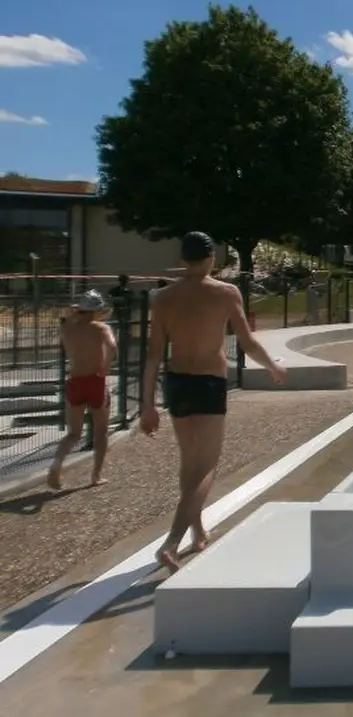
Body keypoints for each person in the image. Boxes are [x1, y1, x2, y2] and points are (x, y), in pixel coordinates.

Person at [140, 231, 286, 573]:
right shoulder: (225, 292)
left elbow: (152, 356)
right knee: (206, 466)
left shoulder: (161, 298)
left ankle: (199, 531)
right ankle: (172, 542)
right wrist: (274, 366)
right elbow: (247, 343)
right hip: (208, 382)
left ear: (182, 259)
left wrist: (147, 405)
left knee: (190, 462)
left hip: (176, 383)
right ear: (211, 258)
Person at [48, 290, 117, 489]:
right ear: (98, 309)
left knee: (73, 434)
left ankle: (56, 464)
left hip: (75, 381)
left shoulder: (67, 328)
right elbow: (112, 346)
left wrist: (77, 310)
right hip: (95, 381)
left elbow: (68, 316)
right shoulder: (100, 328)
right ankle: (96, 475)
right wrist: (105, 365)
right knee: (101, 432)